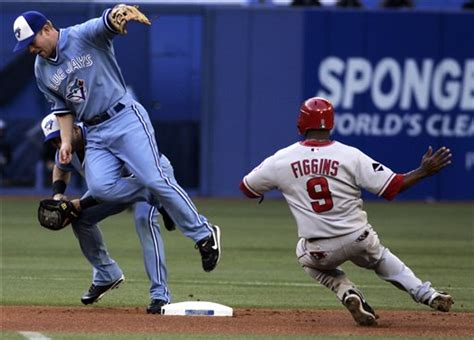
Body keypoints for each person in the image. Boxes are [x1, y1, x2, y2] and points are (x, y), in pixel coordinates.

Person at [12, 7, 220, 276]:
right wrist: (65, 141)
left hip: (124, 118)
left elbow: (106, 23)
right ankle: (155, 196)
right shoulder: (41, 70)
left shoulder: (81, 35)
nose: (30, 49)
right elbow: (62, 109)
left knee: (155, 177)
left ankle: (204, 234)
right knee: (100, 188)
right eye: (26, 46)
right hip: (94, 131)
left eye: (32, 42)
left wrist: (113, 16)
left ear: (47, 29)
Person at [239, 97, 454, 326]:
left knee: (303, 254)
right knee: (380, 258)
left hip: (320, 248)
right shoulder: (350, 155)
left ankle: (346, 292)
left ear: (301, 123)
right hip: (358, 237)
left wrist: (273, 187)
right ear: (331, 124)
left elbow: (247, 187)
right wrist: (423, 170)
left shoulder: (281, 159)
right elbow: (393, 186)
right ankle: (426, 294)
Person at [41, 113, 176, 314]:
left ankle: (160, 295)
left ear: (74, 128)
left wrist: (80, 203)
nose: (60, 144)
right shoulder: (66, 149)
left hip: (149, 178)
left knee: (143, 221)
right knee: (82, 220)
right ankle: (106, 274)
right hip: (117, 187)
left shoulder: (100, 138)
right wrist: (58, 194)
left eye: (61, 136)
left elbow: (111, 187)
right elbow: (61, 168)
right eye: (54, 142)